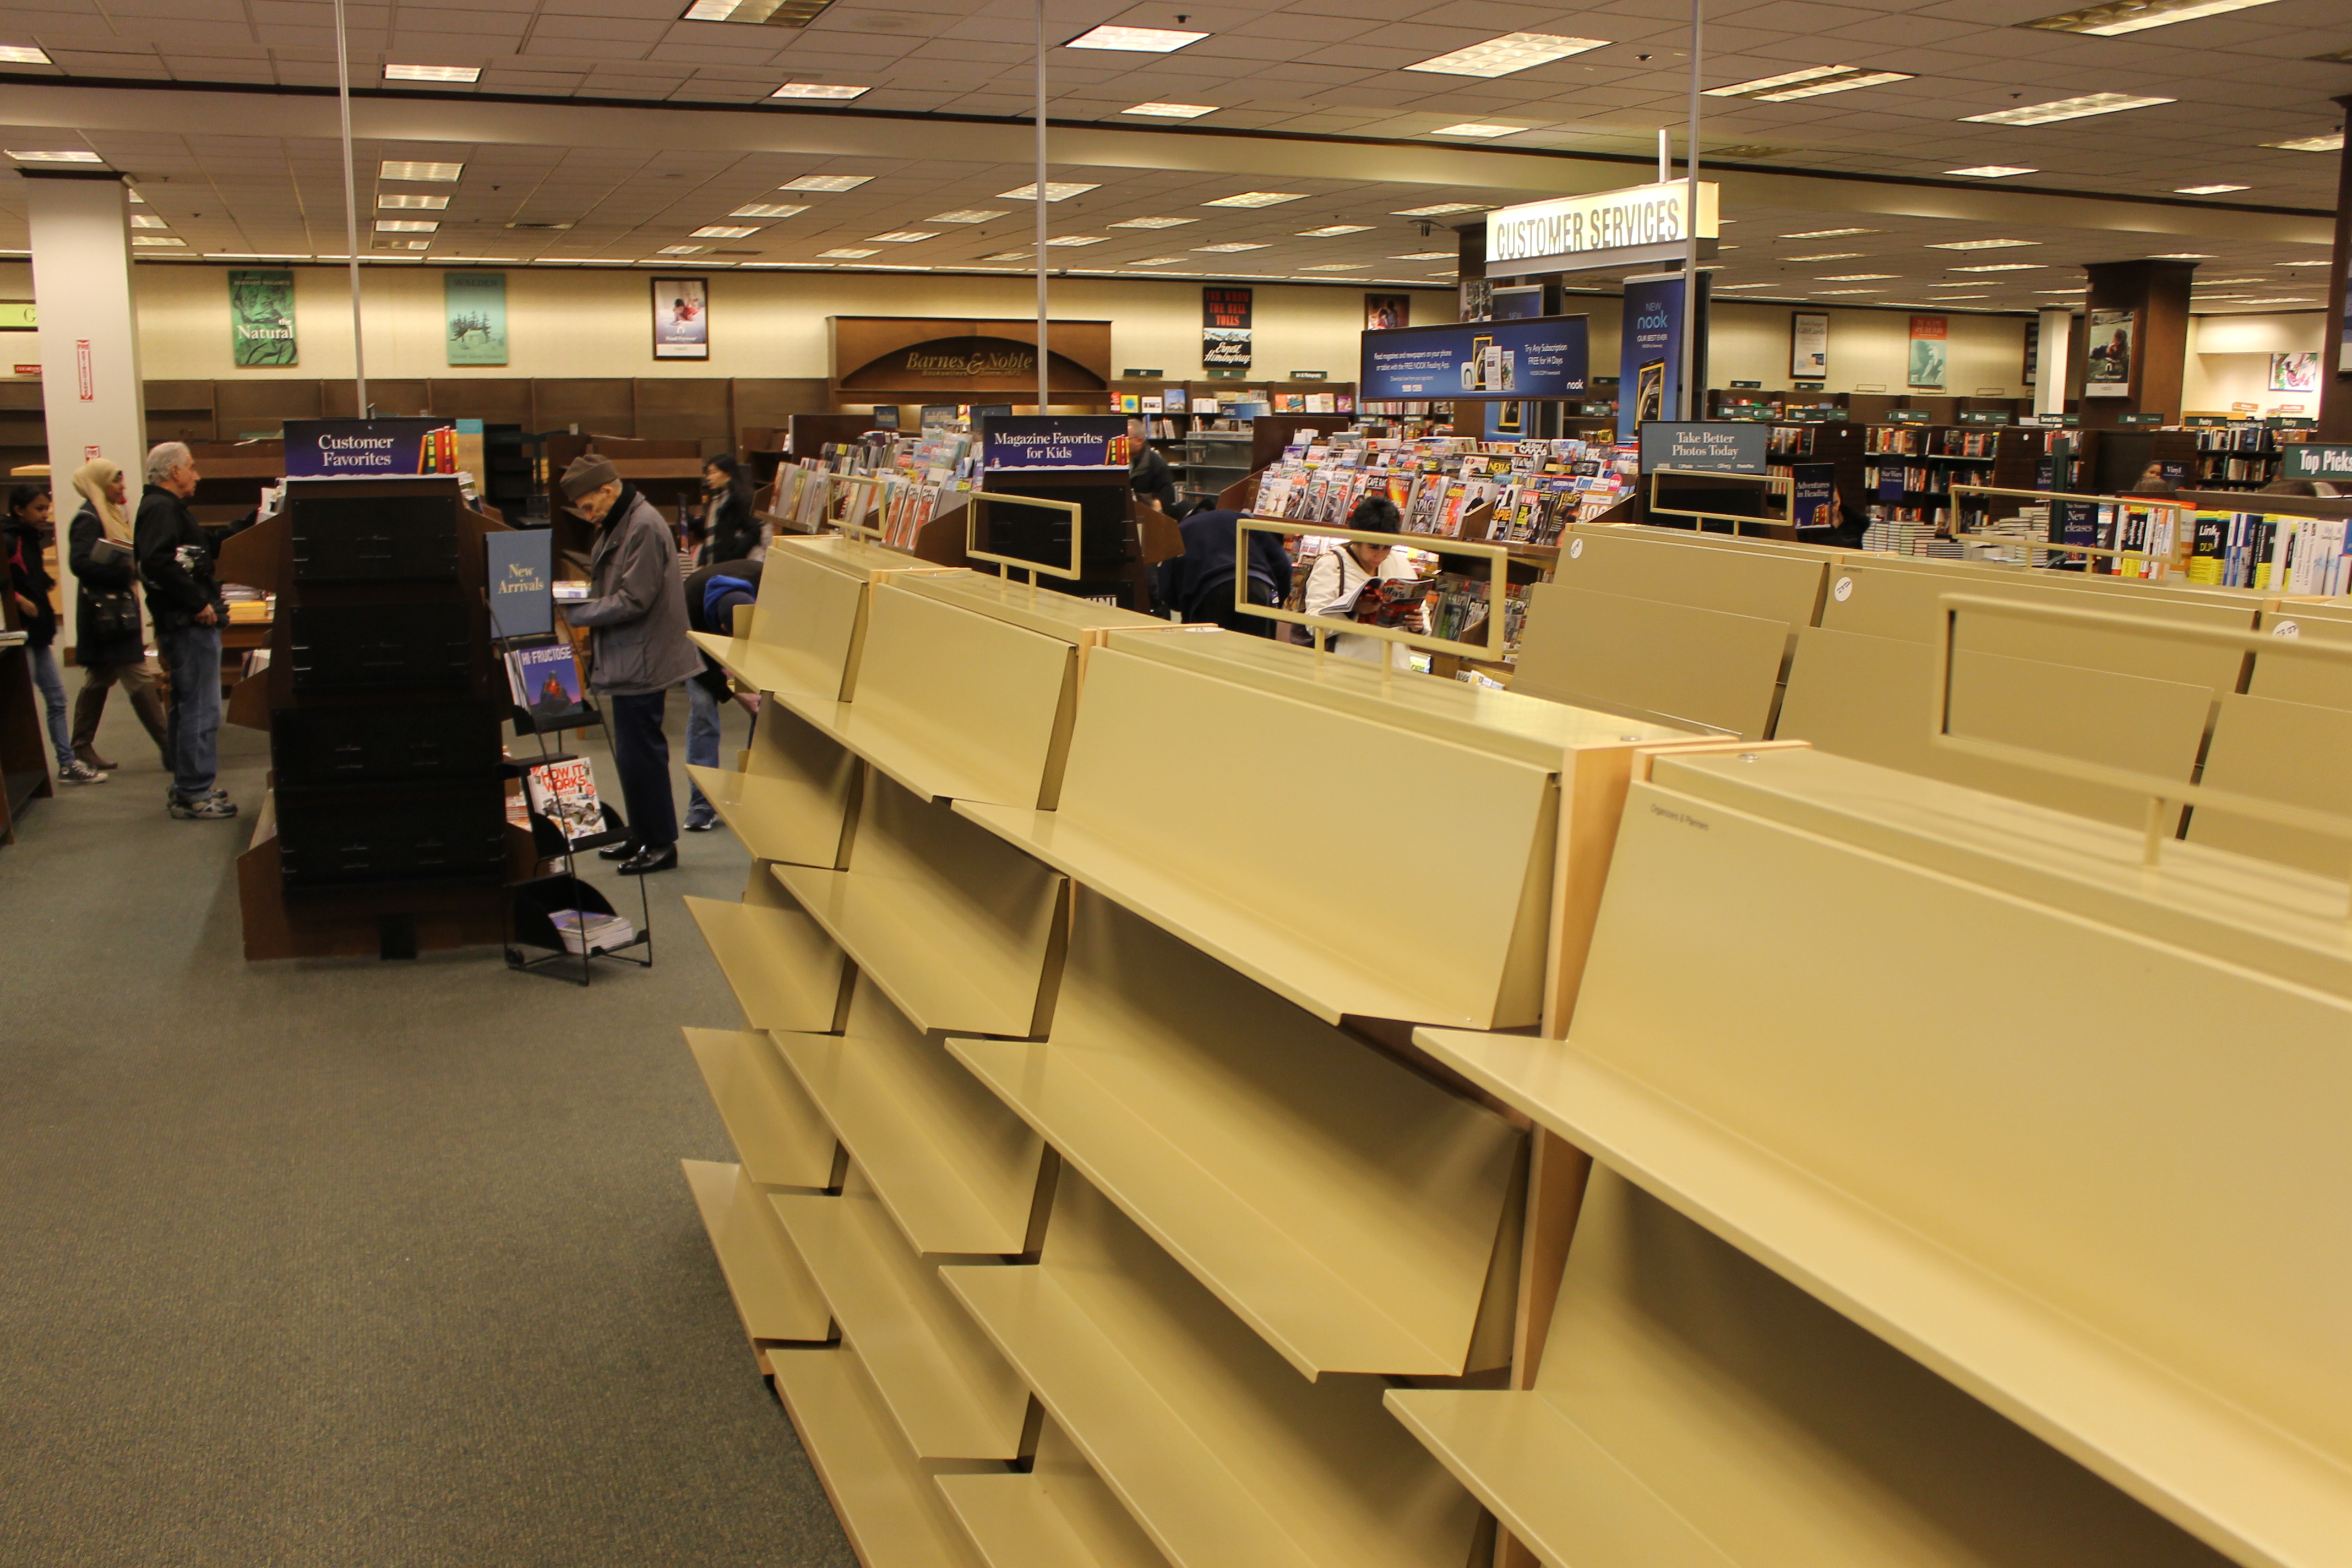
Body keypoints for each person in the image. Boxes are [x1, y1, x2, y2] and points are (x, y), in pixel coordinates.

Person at [558, 453, 701, 874]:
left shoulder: (643, 525)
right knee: (632, 755)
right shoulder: (622, 521)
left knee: (644, 754)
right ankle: (641, 833)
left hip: (644, 658)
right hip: (628, 656)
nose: (588, 515)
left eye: (589, 506)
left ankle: (660, 844)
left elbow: (634, 599)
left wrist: (576, 613)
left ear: (607, 490)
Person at [138, 442, 236, 818]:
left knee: (186, 706)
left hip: (181, 622)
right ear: (174, 472)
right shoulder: (161, 508)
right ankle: (195, 792)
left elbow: (191, 555)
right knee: (200, 709)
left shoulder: (164, 509)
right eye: (191, 467)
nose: (197, 475)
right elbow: (158, 562)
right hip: (188, 622)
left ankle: (187, 785)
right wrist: (198, 603)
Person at [66, 457, 170, 773]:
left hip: (113, 613)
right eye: (115, 481)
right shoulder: (88, 518)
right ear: (98, 483)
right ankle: (169, 746)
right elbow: (80, 564)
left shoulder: (109, 513)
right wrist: (125, 572)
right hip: (105, 615)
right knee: (137, 676)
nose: (122, 486)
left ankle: (81, 745)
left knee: (100, 677)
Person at [7, 484, 105, 783]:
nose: (45, 514)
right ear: (18, 510)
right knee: (17, 704)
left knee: (57, 699)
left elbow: (24, 575)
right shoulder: (9, 540)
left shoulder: (30, 539)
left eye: (47, 508)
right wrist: (20, 601)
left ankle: (66, 764)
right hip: (19, 637)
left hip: (38, 635)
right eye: (38, 509)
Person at [680, 557, 764, 833]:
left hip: (759, 643)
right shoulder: (689, 600)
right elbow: (696, 661)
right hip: (697, 652)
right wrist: (739, 693)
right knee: (703, 708)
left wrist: (752, 690)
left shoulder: (768, 585)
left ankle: (753, 791)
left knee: (765, 708)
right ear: (721, 626)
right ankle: (701, 803)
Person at [1302, 494, 1422, 666]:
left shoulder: (1399, 562)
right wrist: (1354, 611)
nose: (1380, 555)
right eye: (1373, 547)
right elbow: (1313, 624)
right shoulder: (1332, 564)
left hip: (1395, 667)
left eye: (1387, 547)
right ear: (1358, 539)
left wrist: (1418, 624)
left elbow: (1421, 611)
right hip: (1348, 667)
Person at [1154, 503, 1289, 635]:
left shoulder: (1180, 531)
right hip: (1256, 586)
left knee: (1215, 652)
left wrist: (1187, 607)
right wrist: (1277, 602)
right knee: (1254, 652)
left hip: (1211, 593)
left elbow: (1167, 591)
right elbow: (1283, 563)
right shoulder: (1238, 517)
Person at [694, 453, 762, 567]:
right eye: (708, 473)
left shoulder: (741, 498)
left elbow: (754, 532)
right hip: (715, 565)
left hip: (732, 567)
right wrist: (702, 562)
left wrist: (731, 557)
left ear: (728, 473)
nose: (709, 478)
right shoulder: (716, 500)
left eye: (714, 472)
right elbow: (709, 536)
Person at [1128, 419, 1179, 515]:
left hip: (1146, 518)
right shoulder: (1122, 460)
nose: (1123, 442)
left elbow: (1166, 497)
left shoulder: (1157, 465)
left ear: (1139, 441)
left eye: (1127, 439)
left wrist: (1158, 503)